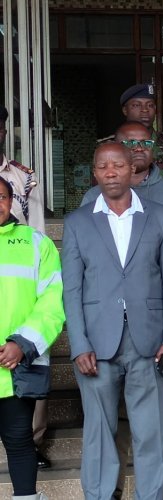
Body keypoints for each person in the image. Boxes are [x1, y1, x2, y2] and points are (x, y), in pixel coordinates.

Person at [82, 120, 163, 500]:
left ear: (151, 148)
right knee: (111, 417)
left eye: (142, 142)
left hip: (160, 323)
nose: (134, 149)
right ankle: (111, 489)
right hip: (107, 330)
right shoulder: (91, 201)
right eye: (125, 144)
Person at [0, 176, 64, 500]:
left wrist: (21, 345)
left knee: (20, 442)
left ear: (11, 201)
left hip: (16, 370)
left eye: (1, 197)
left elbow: (52, 304)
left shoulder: (37, 243)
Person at [0, 105, 51, 470]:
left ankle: (33, 442)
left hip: (20, 278)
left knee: (21, 435)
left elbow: (33, 227)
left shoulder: (21, 176)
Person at [99, 83, 163, 190]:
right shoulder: (108, 146)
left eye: (150, 105)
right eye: (136, 105)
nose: (145, 110)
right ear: (125, 110)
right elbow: (99, 188)